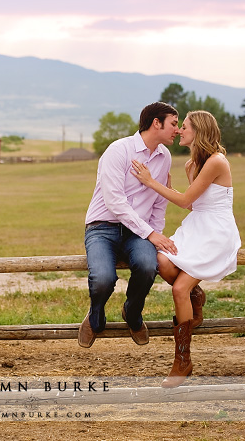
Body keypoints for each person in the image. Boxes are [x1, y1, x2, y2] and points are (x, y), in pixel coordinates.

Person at [131, 110, 241, 388]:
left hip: (216, 231)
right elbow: (193, 204)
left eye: (185, 126)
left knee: (177, 288)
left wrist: (152, 183)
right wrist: (168, 187)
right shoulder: (191, 165)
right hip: (197, 226)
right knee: (163, 262)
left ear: (199, 131)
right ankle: (196, 295)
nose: (180, 130)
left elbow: (184, 201)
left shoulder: (217, 162)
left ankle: (183, 361)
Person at [78, 101, 181, 349]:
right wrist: (151, 233)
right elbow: (115, 202)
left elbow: (159, 200)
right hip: (102, 228)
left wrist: (155, 233)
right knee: (102, 279)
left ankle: (132, 314)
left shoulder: (164, 157)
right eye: (174, 124)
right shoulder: (118, 151)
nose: (177, 130)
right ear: (156, 123)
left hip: (138, 232)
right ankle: (96, 317)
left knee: (148, 266)